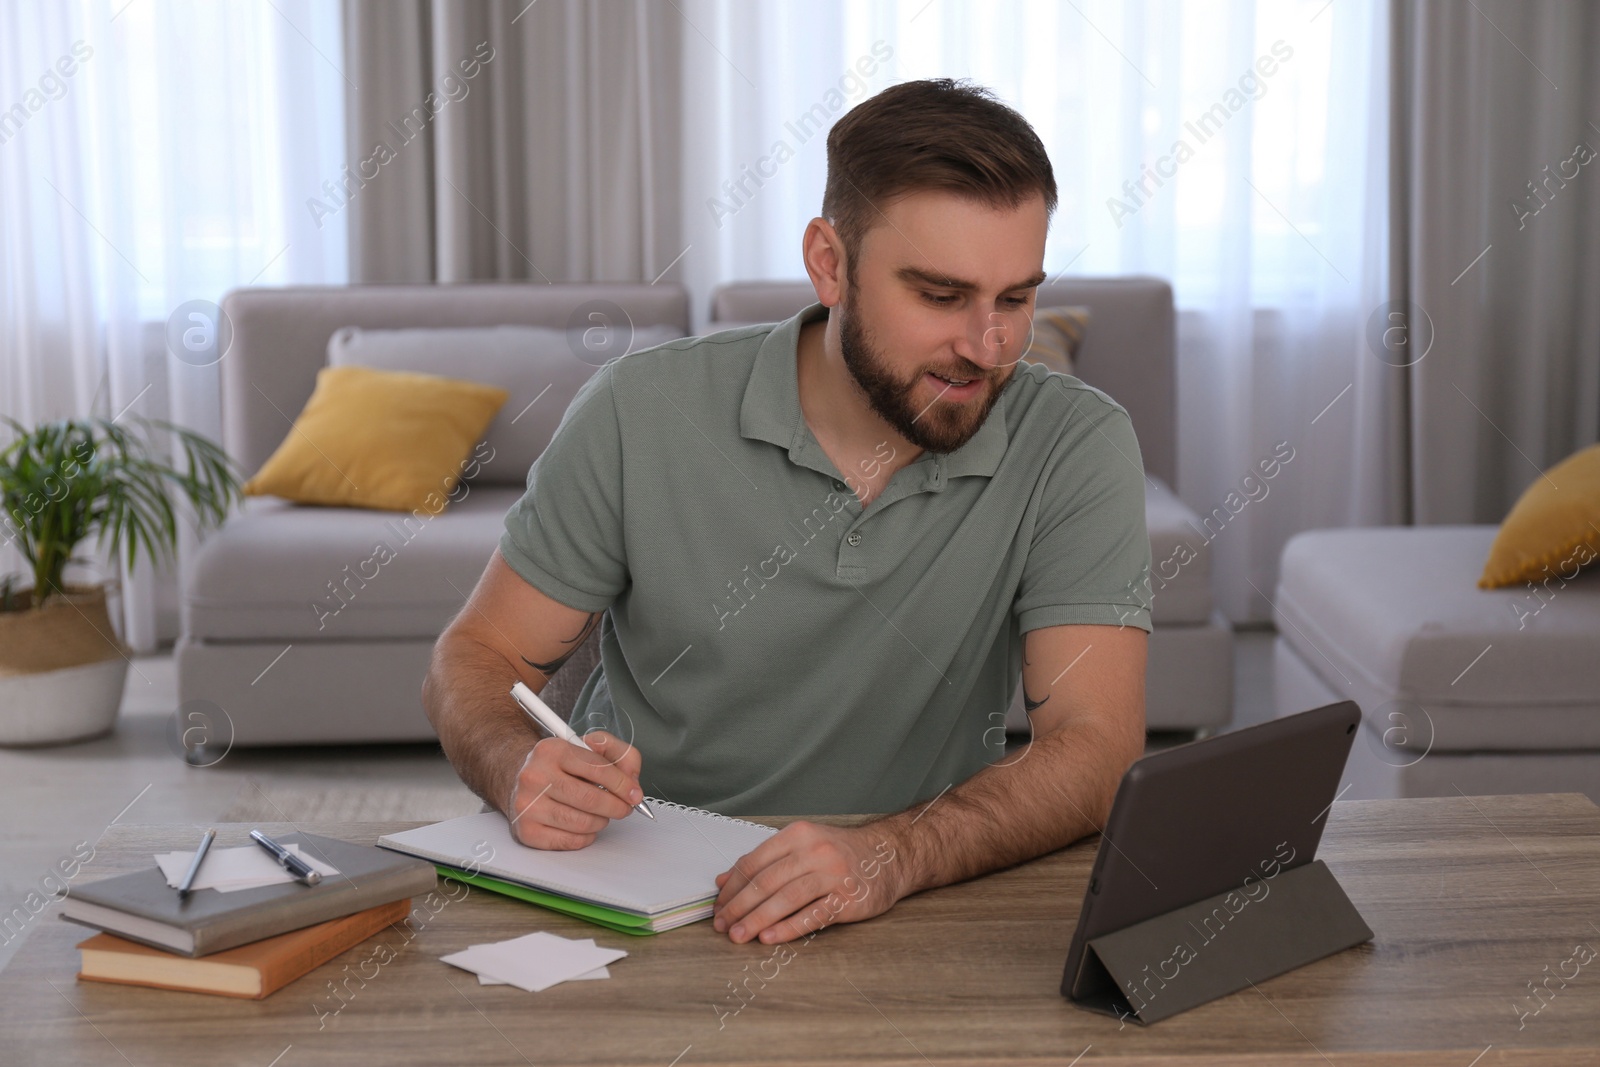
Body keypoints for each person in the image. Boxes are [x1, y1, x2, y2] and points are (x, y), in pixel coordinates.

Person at [423, 77, 1152, 947]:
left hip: (914, 892)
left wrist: (893, 855)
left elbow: (1097, 748)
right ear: (829, 262)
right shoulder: (639, 411)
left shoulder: (1076, 442)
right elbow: (475, 656)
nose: (986, 345)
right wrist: (515, 766)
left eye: (1017, 298)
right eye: (940, 295)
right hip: (639, 892)